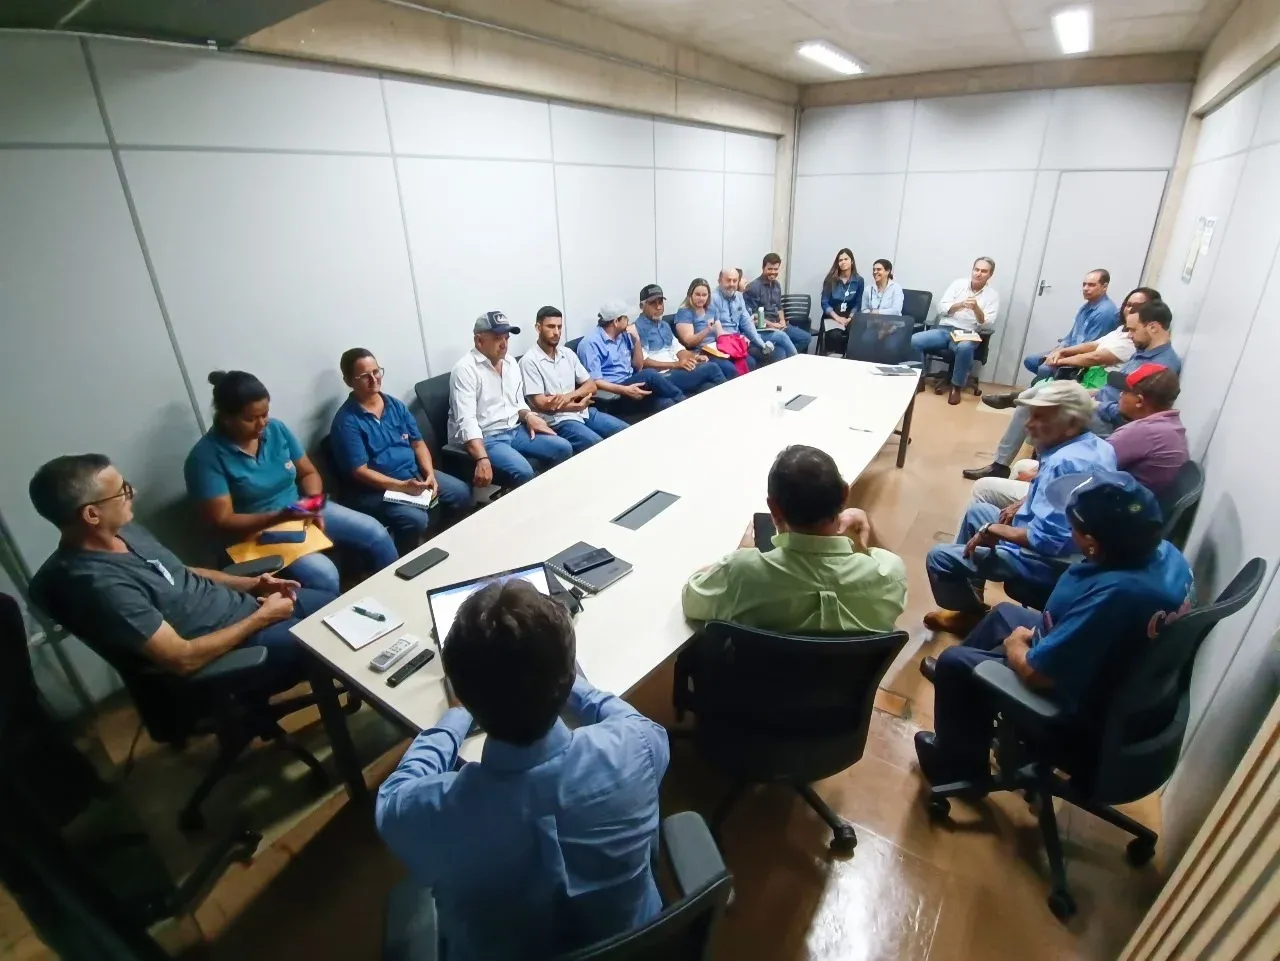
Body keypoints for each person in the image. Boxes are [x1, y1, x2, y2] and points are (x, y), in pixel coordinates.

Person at [376, 579, 669, 961]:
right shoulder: (638, 747)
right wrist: (571, 684)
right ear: (565, 682)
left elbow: (394, 794)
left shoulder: (430, 816)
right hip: (636, 945)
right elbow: (622, 716)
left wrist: (455, 716)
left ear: (464, 692)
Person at [915, 472, 1194, 787]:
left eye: (1072, 527)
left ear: (1091, 543)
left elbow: (1038, 674)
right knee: (1003, 614)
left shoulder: (1112, 594)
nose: (1069, 532)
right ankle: (966, 701)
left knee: (955, 662)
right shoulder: (1168, 556)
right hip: (1122, 676)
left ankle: (956, 766)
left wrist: (1015, 647)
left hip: (1084, 707)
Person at [29, 454, 335, 683]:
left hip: (250, 609)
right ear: (92, 514)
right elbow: (182, 658)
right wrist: (263, 617)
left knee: (346, 609)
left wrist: (254, 584)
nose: (131, 493)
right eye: (121, 491)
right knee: (335, 645)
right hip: (236, 648)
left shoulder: (124, 530)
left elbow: (180, 571)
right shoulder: (99, 586)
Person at [924, 381, 1117, 637]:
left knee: (939, 557)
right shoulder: (1096, 446)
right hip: (1063, 543)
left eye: (1039, 417)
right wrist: (1022, 502)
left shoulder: (1065, 463)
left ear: (1070, 424)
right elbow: (1063, 504)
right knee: (978, 512)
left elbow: (1049, 541)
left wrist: (993, 530)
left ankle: (967, 615)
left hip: (1047, 561)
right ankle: (971, 602)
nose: (1028, 424)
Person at [185, 370, 398, 594]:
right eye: (251, 419)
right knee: (324, 574)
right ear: (227, 418)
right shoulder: (205, 458)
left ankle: (395, 594)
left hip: (298, 510)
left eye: (265, 414)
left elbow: (308, 473)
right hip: (257, 533)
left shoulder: (276, 429)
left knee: (375, 533)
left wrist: (313, 504)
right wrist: (280, 516)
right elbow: (223, 520)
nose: (261, 424)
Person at [682, 445, 907, 633]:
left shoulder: (742, 573)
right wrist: (867, 532)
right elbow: (882, 559)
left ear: (773, 508)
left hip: (759, 684)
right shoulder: (890, 574)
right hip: (845, 685)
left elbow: (691, 597)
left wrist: (737, 557)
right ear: (845, 494)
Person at [966, 300, 1180, 480]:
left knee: (1038, 409)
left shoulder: (1162, 366)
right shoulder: (1143, 353)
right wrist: (1085, 394)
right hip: (1102, 402)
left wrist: (1092, 403)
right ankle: (1019, 401)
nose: (1130, 336)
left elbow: (1130, 413)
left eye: (1133, 330)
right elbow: (1112, 388)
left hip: (1109, 418)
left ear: (1153, 327)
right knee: (1049, 390)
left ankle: (1013, 464)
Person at [971, 364, 1187, 507]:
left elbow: (1089, 472)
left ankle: (978, 557)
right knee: (1023, 467)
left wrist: (1032, 490)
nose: (1120, 395)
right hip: (1119, 501)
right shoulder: (1168, 426)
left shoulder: (1142, 433)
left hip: (1099, 511)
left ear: (1139, 401)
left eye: (1125, 392)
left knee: (984, 488)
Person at [330, 349, 472, 556]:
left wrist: (429, 474)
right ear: (349, 381)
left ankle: (443, 543)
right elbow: (360, 471)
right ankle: (404, 558)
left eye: (376, 372)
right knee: (415, 519)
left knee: (460, 492)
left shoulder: (394, 405)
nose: (373, 379)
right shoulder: (346, 421)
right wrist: (401, 487)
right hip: (377, 490)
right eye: (364, 376)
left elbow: (418, 443)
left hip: (412, 475)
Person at [449, 311, 573, 488]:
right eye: (498, 338)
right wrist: (482, 457)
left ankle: (553, 495)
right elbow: (466, 421)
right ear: (479, 340)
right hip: (488, 438)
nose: (504, 344)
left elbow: (517, 404)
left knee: (563, 448)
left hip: (515, 430)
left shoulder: (510, 363)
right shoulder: (465, 370)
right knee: (524, 472)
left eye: (507, 338)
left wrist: (529, 416)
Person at [983, 270, 1119, 409]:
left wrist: (1061, 354)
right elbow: (1071, 335)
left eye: (1091, 285)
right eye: (1084, 284)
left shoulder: (1105, 312)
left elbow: (1089, 347)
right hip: (1069, 349)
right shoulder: (1087, 306)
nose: (1085, 288)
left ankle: (1030, 403)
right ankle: (1043, 390)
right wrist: (1059, 349)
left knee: (1044, 368)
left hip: (1081, 359)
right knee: (1031, 361)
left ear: (1104, 286)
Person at [518, 306, 629, 453]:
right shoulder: (529, 361)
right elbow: (541, 404)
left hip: (583, 412)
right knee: (598, 445)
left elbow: (591, 386)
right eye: (550, 327)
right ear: (538, 328)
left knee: (626, 432)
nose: (556, 332)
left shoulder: (567, 353)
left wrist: (568, 397)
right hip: (558, 421)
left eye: (559, 327)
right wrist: (573, 405)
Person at [909, 257, 999, 405]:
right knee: (915, 340)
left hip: (967, 332)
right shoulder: (958, 285)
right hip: (945, 329)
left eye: (984, 271)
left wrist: (976, 308)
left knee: (965, 347)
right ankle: (920, 379)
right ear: (972, 270)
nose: (979, 273)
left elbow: (986, 322)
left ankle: (956, 387)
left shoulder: (992, 296)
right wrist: (960, 304)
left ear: (990, 274)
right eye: (976, 269)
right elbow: (941, 308)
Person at [576, 301, 684, 419]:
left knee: (667, 404)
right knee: (650, 374)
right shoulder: (590, 344)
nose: (629, 321)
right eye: (626, 318)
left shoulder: (624, 334)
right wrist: (625, 390)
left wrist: (636, 340)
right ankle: (684, 400)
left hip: (633, 383)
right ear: (616, 321)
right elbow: (595, 381)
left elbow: (638, 366)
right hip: (615, 392)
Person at [1031, 287, 1159, 385]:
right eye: (1128, 305)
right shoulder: (1123, 329)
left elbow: (1095, 357)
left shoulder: (1135, 339)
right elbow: (1094, 345)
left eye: (1137, 307)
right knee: (1038, 372)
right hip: (1087, 374)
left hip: (1096, 382)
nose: (1130, 310)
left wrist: (1059, 360)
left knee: (1043, 374)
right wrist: (1062, 351)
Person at [632, 284, 726, 395]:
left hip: (675, 370)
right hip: (661, 376)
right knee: (712, 368)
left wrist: (693, 357)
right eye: (653, 303)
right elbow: (644, 361)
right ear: (642, 306)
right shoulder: (636, 329)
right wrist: (676, 365)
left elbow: (677, 348)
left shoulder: (664, 325)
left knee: (708, 387)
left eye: (660, 302)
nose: (658, 307)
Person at [709, 267, 796, 363]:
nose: (732, 284)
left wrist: (761, 344)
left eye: (735, 281)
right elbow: (714, 331)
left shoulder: (738, 296)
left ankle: (795, 366)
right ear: (719, 281)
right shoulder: (712, 299)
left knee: (780, 352)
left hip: (740, 340)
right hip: (724, 343)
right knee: (777, 342)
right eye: (728, 280)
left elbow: (747, 323)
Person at [673, 277, 746, 379]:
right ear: (690, 294)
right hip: (700, 352)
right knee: (730, 369)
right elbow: (688, 342)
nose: (701, 298)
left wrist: (738, 339)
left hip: (717, 349)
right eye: (697, 295)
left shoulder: (711, 309)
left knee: (747, 360)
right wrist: (707, 330)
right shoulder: (685, 312)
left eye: (704, 295)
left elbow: (720, 333)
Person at [744, 253, 812, 354]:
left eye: (776, 269)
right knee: (782, 346)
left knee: (806, 338)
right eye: (770, 269)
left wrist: (782, 320)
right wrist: (773, 325)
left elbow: (779, 306)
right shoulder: (754, 287)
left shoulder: (777, 285)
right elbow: (753, 316)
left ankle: (788, 358)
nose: (773, 272)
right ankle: (792, 358)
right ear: (763, 268)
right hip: (763, 328)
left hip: (777, 324)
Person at [818, 248, 865, 354]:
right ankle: (835, 358)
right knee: (835, 335)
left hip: (850, 317)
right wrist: (838, 318)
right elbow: (824, 303)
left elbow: (858, 303)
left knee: (857, 334)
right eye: (840, 260)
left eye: (846, 259)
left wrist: (850, 317)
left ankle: (849, 359)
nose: (843, 262)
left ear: (852, 261)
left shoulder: (859, 281)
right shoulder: (831, 279)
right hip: (832, 316)